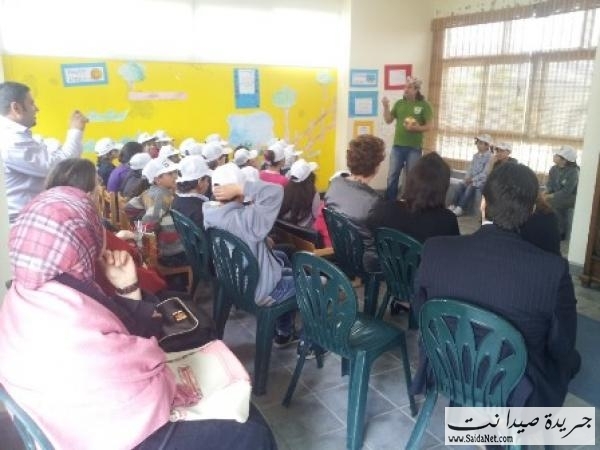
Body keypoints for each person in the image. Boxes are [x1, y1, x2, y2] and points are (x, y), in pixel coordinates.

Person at [0, 185, 277, 450]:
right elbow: (153, 392)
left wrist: (128, 289)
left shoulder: (29, 294)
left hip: (68, 419)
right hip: (107, 433)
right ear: (83, 240)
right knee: (253, 434)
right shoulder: (70, 317)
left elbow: (120, 339)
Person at [414, 162, 580, 407]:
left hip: (445, 369)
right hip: (513, 390)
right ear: (532, 210)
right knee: (570, 362)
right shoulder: (551, 271)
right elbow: (562, 345)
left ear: (483, 203)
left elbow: (420, 312)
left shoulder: (435, 250)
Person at [203, 163, 297, 347]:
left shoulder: (209, 211)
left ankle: (283, 331)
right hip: (260, 289)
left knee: (288, 269)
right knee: (316, 284)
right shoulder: (246, 219)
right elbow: (276, 192)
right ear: (238, 192)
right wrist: (242, 188)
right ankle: (310, 345)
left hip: (237, 284)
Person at [45, 158, 167, 295]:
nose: (100, 190)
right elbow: (152, 283)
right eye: (98, 186)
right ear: (88, 196)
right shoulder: (92, 234)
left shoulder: (54, 225)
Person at [0, 81, 88, 223]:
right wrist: (75, 131)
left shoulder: (16, 136)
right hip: (25, 221)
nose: (37, 109)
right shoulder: (11, 140)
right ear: (16, 108)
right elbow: (60, 167)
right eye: (31, 103)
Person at [324, 134, 386, 272]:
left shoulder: (334, 184)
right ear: (376, 166)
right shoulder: (374, 202)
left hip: (342, 252)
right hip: (366, 262)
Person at [369, 152, 459, 243]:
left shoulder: (386, 209)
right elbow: (454, 250)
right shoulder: (447, 221)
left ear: (411, 180)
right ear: (443, 187)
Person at [381, 76, 433, 200]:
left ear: (416, 90)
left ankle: (409, 202)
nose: (406, 89)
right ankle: (390, 202)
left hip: (414, 148)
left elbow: (429, 126)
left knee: (412, 176)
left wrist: (416, 128)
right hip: (397, 147)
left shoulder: (424, 105)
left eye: (409, 87)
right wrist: (386, 107)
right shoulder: (399, 103)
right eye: (405, 87)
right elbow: (388, 120)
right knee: (392, 175)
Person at [449, 134, 493, 217]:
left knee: (470, 187)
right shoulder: (475, 156)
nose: (478, 145)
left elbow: (485, 173)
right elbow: (470, 168)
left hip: (481, 181)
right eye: (478, 143)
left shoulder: (490, 157)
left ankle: (460, 208)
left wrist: (472, 179)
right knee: (460, 185)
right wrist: (467, 178)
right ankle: (453, 205)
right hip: (471, 179)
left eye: (481, 143)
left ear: (487, 145)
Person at [545, 145, 579, 238]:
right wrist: (545, 192)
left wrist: (549, 196)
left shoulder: (574, 172)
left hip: (571, 197)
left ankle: (561, 232)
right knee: (542, 201)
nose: (554, 156)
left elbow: (567, 191)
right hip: (556, 194)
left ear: (564, 160)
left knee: (554, 203)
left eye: (557, 155)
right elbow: (550, 184)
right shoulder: (553, 169)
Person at [172, 155, 213, 227]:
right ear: (200, 181)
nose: (208, 184)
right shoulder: (201, 209)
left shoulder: (176, 199)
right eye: (207, 180)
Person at [279, 159, 320, 228]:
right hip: (305, 230)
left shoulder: (284, 188)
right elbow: (316, 215)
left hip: (284, 229)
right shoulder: (313, 193)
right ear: (310, 176)